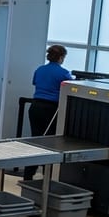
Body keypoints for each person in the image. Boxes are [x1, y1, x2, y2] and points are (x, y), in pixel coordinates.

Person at [24, 45, 73, 180]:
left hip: (35, 107)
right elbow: (70, 88)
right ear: (61, 57)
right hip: (51, 110)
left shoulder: (40, 69)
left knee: (35, 141)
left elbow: (36, 83)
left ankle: (28, 175)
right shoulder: (63, 73)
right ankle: (47, 176)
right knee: (49, 144)